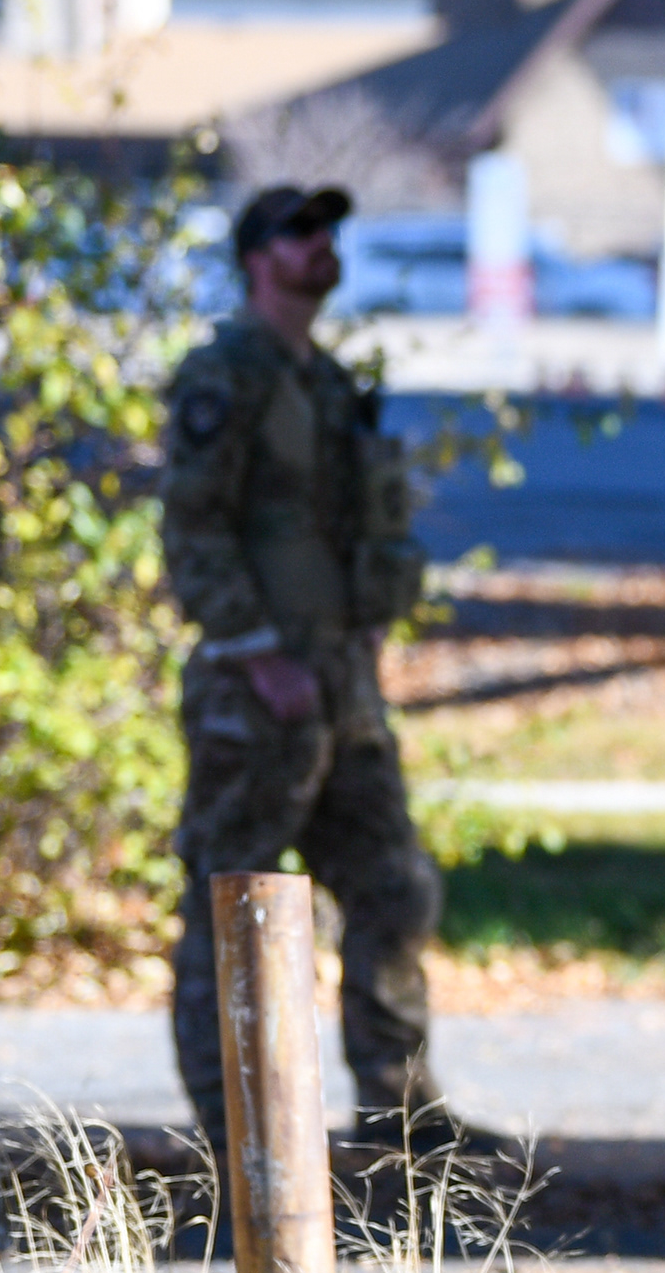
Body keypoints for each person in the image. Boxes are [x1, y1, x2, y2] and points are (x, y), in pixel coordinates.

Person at [162, 183, 458, 1171]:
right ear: (257, 257)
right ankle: (233, 1136)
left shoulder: (327, 382)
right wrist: (255, 651)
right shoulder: (226, 377)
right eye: (300, 232)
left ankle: (402, 1121)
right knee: (230, 898)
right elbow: (193, 531)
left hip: (340, 685)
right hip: (260, 689)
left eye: (331, 232)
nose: (322, 246)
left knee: (394, 885)